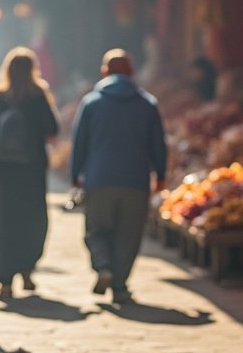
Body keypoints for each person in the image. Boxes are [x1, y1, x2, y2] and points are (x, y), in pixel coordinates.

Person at [69, 49, 167, 305]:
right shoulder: (147, 104)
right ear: (131, 72)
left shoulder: (91, 102)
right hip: (135, 180)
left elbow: (79, 143)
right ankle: (120, 286)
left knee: (96, 230)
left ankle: (103, 267)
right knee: (129, 235)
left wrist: (75, 174)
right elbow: (158, 144)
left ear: (104, 72)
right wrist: (161, 174)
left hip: (99, 179)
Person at [0, 47, 59, 300]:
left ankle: (4, 281)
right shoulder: (38, 96)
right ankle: (26, 270)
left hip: (3, 170)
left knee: (2, 221)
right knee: (32, 219)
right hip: (31, 169)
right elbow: (52, 129)